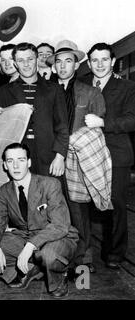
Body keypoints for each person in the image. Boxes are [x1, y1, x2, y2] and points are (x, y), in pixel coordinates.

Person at [0, 143, 78, 298]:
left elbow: (60, 225)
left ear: (29, 162)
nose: (16, 165)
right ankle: (27, 270)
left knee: (48, 255)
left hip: (57, 237)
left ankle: (58, 277)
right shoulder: (5, 190)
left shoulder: (50, 184)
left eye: (21, 160)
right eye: (10, 161)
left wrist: (30, 245)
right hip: (25, 236)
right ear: (5, 165)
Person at [47, 40, 106, 273]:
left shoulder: (90, 92)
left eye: (68, 61)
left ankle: (83, 260)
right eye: (58, 62)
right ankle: (58, 257)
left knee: (78, 209)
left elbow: (96, 128)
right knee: (53, 209)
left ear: (77, 64)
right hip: (53, 157)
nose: (63, 66)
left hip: (78, 160)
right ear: (53, 66)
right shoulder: (48, 90)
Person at [81, 43, 135, 269]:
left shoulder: (127, 87)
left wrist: (103, 123)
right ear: (89, 63)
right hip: (86, 155)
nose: (100, 64)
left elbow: (132, 120)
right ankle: (84, 256)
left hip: (116, 155)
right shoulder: (81, 85)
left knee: (116, 205)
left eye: (104, 59)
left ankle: (115, 253)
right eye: (95, 60)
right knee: (84, 205)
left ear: (113, 61)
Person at [0, 42, 69, 178]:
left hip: (49, 157)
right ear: (15, 64)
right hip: (17, 157)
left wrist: (60, 157)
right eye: (21, 60)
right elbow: (0, 130)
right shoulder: (4, 92)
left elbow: (62, 126)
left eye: (30, 59)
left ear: (37, 60)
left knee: (49, 196)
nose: (26, 64)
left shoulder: (54, 89)